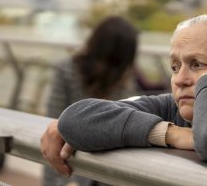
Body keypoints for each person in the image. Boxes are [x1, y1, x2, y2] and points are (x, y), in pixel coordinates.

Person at [40, 14, 207, 178]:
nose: (180, 80)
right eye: (175, 68)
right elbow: (74, 119)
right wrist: (171, 134)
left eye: (197, 64)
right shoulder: (169, 108)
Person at [43, 16, 140, 186]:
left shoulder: (65, 69)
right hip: (78, 170)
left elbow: (52, 118)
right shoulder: (123, 82)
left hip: (71, 169)